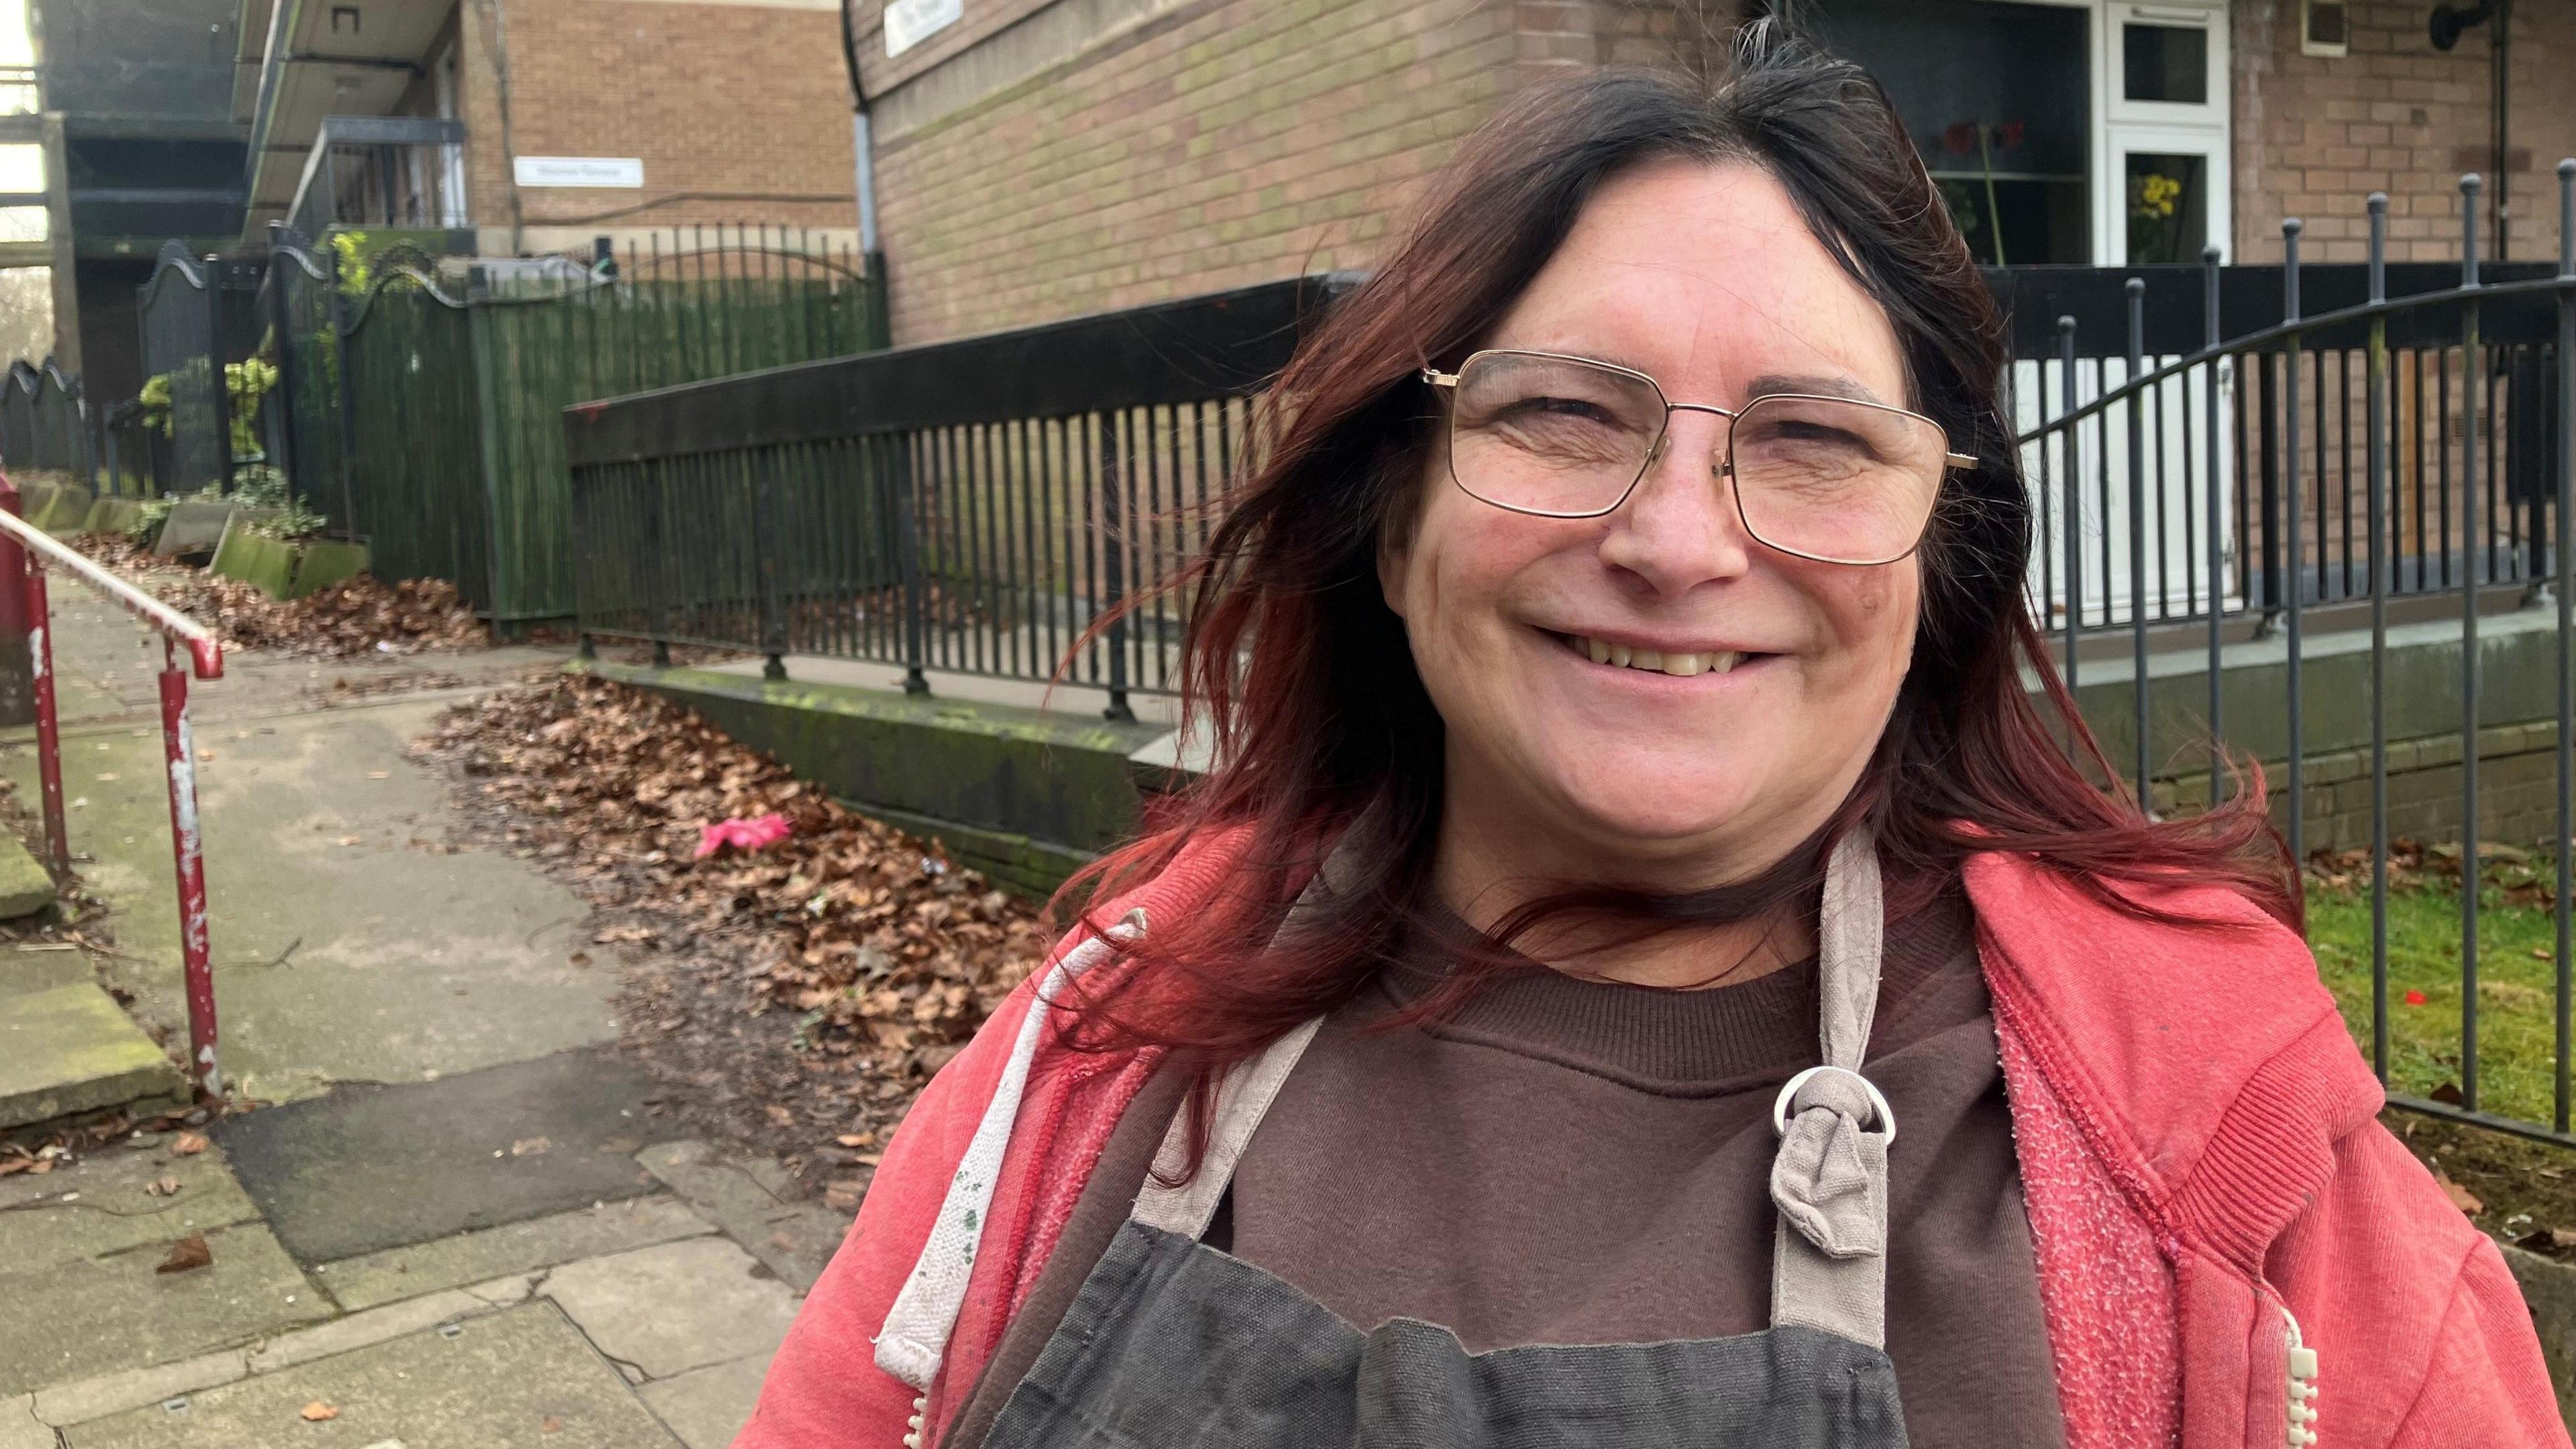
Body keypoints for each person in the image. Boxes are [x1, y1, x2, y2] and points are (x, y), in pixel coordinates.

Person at [737, 26, 2567, 1449]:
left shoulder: (2220, 1164)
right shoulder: (1105, 1040)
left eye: (1815, 441)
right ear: (1394, 513)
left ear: (1942, 563)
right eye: (1558, 412)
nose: (1679, 543)